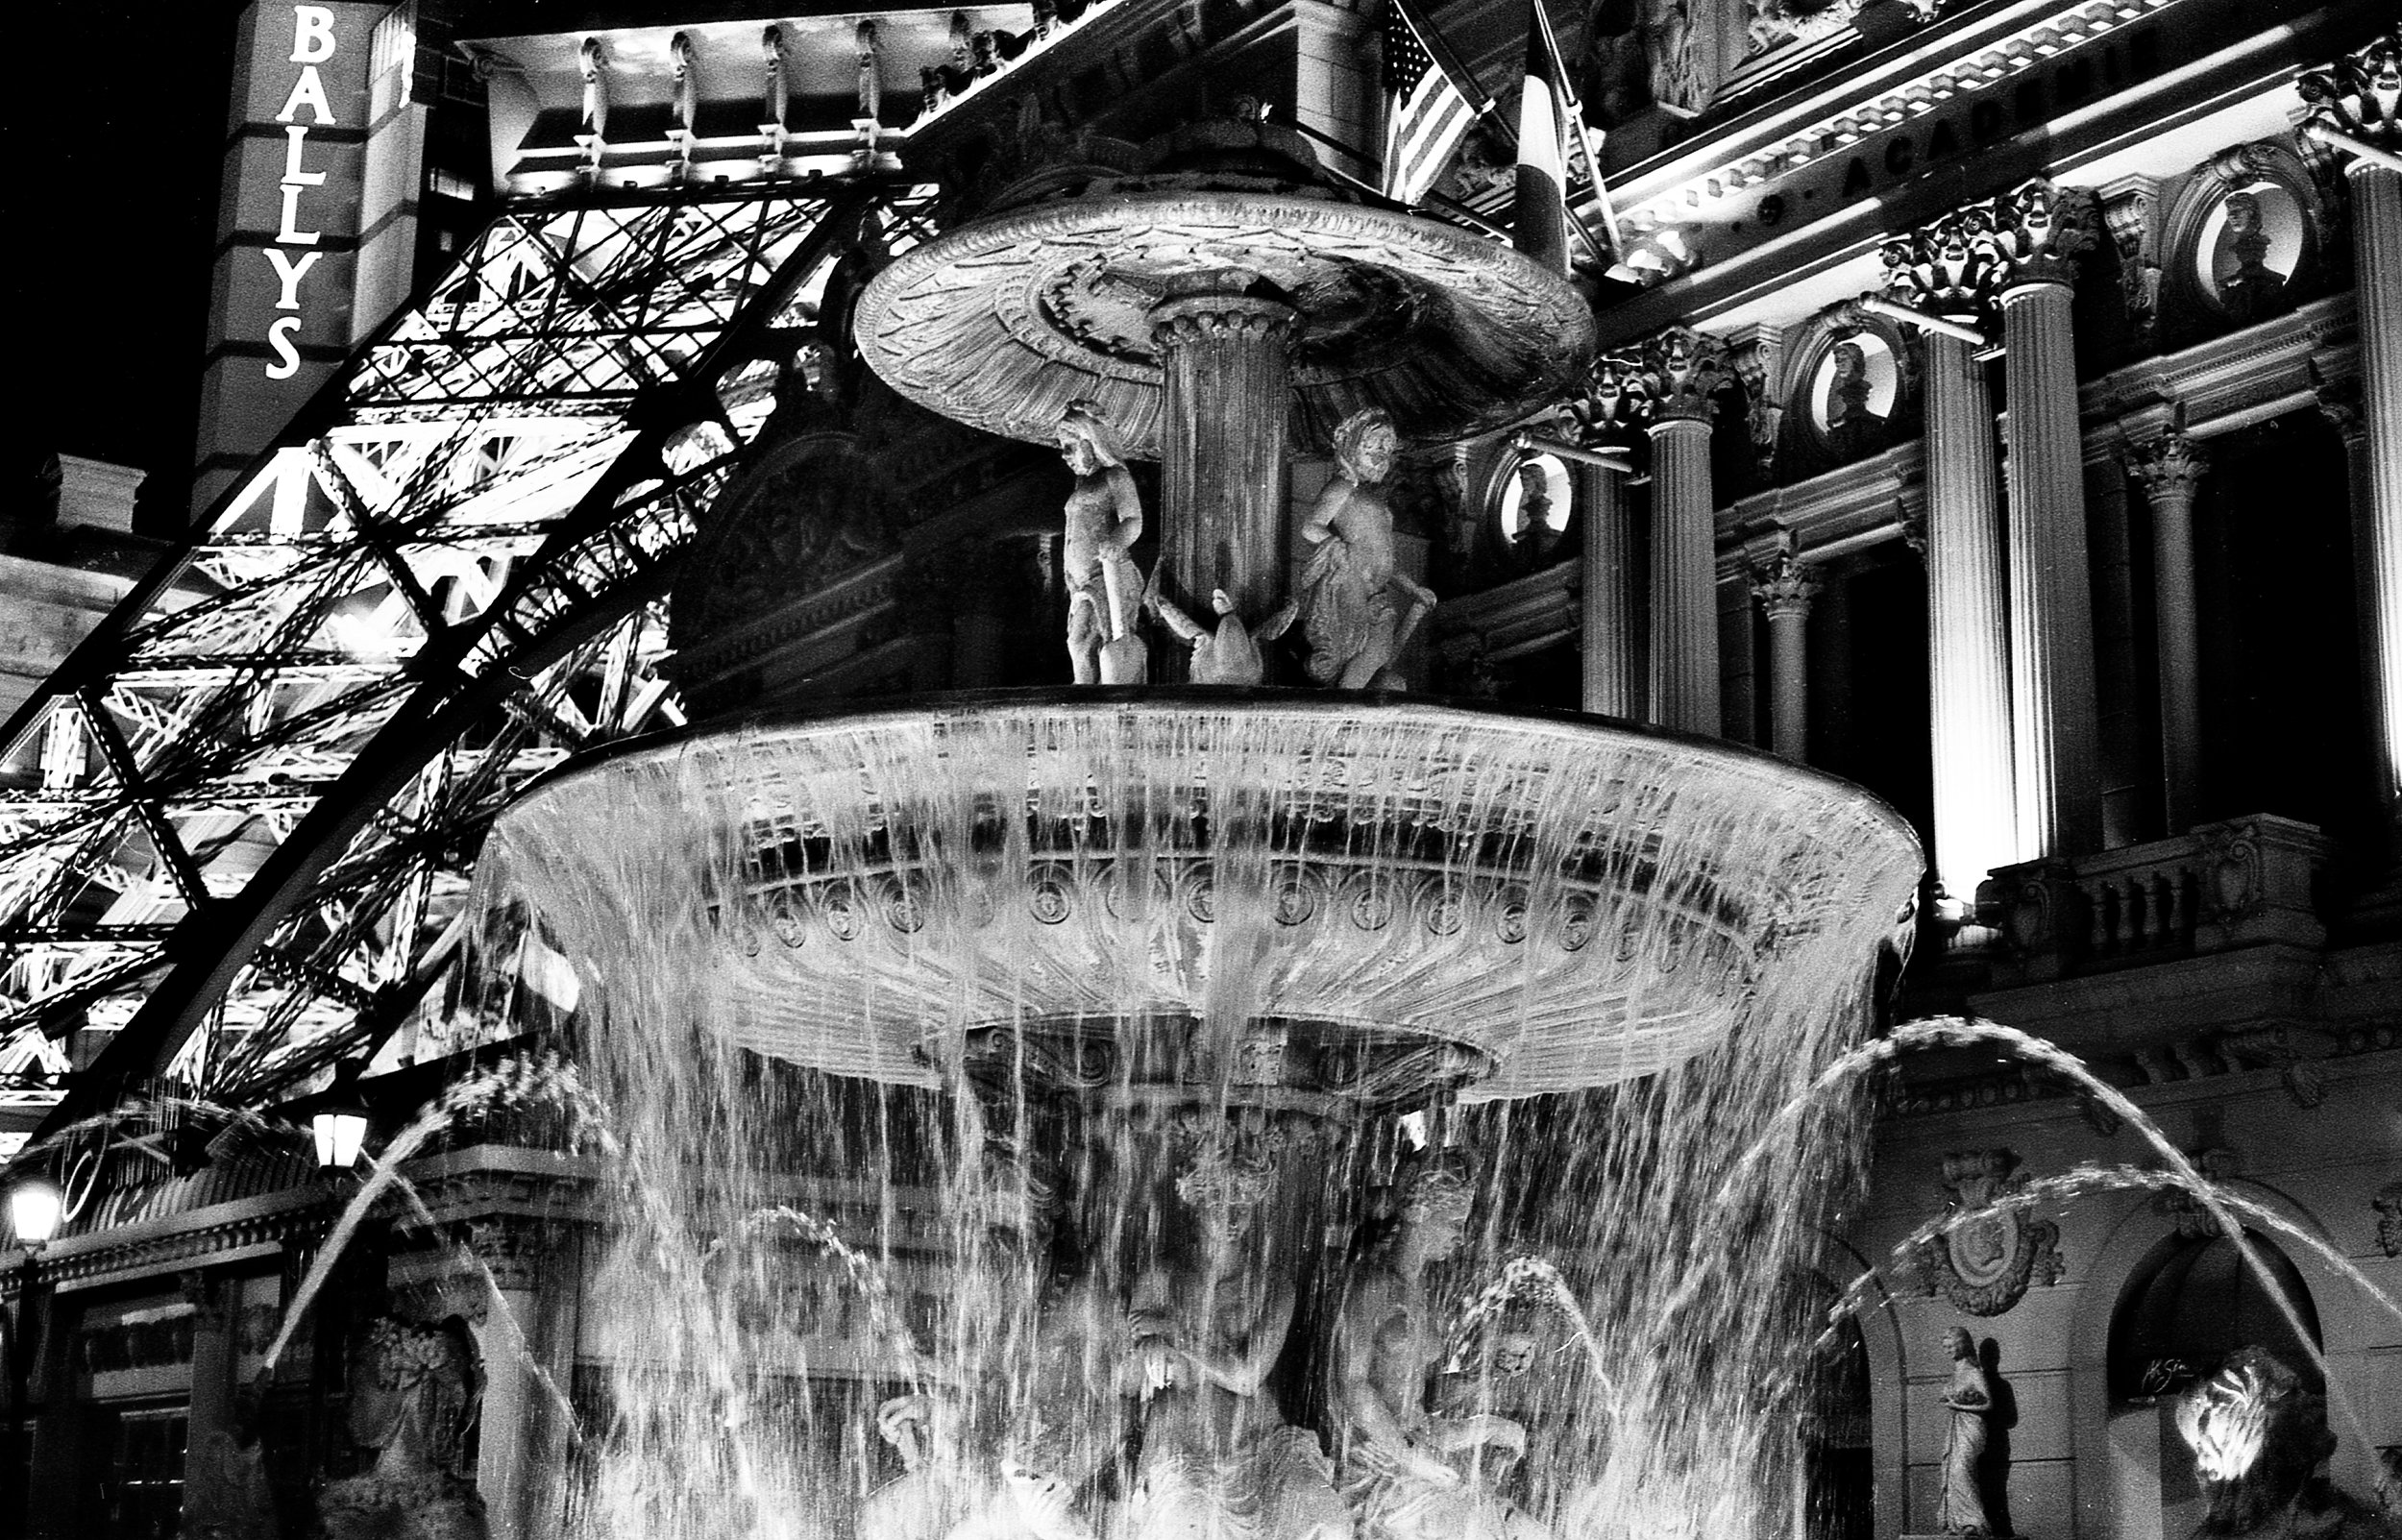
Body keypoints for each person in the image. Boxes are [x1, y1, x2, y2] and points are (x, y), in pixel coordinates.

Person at [1120, 1139, 1350, 1540]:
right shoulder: (1160, 1278)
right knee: (1186, 1523)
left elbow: (1246, 1378)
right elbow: (1126, 1382)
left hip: (1264, 1443)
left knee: (1326, 1520)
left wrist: (1174, 1333)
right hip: (1184, 1444)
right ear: (1196, 1200)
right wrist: (1145, 1354)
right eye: (1220, 1201)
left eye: (1243, 1202)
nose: (1233, 1215)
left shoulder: (1273, 1285)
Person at [1327, 1159, 1546, 1540]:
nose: (1460, 1237)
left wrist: (1487, 1376)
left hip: (1420, 1442)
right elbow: (1351, 1384)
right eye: (1454, 1224)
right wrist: (1409, 1457)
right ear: (1418, 1214)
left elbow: (1422, 1398)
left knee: (1529, 1526)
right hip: (1376, 1461)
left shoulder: (1422, 1293)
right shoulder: (1370, 1285)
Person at [1295, 409, 1434, 691]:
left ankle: (1350, 712)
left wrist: (1412, 589)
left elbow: (1383, 558)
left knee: (1380, 666)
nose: (1385, 450)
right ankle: (1341, 715)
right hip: (1352, 590)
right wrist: (1341, 553)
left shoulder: (1372, 498)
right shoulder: (1342, 485)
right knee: (1361, 663)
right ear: (1355, 445)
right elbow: (1311, 527)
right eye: (1378, 442)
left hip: (1377, 595)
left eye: (1389, 445)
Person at [1057, 402, 1148, 686]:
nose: (1064, 455)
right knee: (1079, 641)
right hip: (1082, 581)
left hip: (1106, 575)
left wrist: (1115, 541)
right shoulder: (1083, 485)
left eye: (1069, 446)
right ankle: (1084, 691)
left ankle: (1092, 693)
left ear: (1090, 441)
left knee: (1086, 641)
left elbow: (1133, 519)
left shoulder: (1115, 476)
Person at [1146, 584, 1296, 687]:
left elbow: (1188, 628)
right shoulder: (1252, 642)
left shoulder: (1209, 641)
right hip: (1234, 682)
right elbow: (1268, 632)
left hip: (1215, 683)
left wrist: (1163, 607)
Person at [1935, 1326, 1995, 1536]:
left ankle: (1975, 1522)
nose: (1948, 1350)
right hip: (1956, 1427)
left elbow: (1988, 1404)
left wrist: (1958, 1405)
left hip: (1972, 1428)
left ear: (1962, 1345)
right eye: (1946, 1347)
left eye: (1951, 1346)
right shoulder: (1955, 1374)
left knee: (1962, 1470)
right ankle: (1957, 1523)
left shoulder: (1974, 1372)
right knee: (1952, 1472)